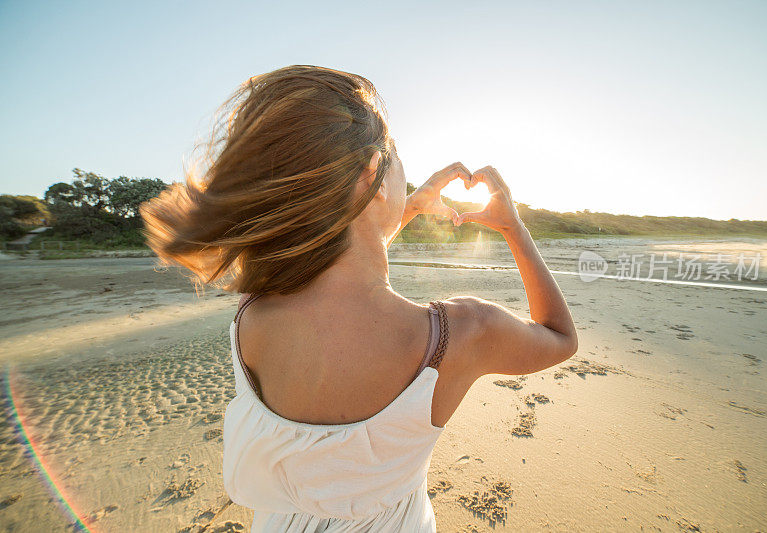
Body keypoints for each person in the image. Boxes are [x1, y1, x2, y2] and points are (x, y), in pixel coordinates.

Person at [140, 65, 578, 532]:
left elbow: (340, 272)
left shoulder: (253, 313)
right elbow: (559, 337)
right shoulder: (458, 333)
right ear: (372, 172)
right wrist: (514, 227)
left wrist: (399, 207)